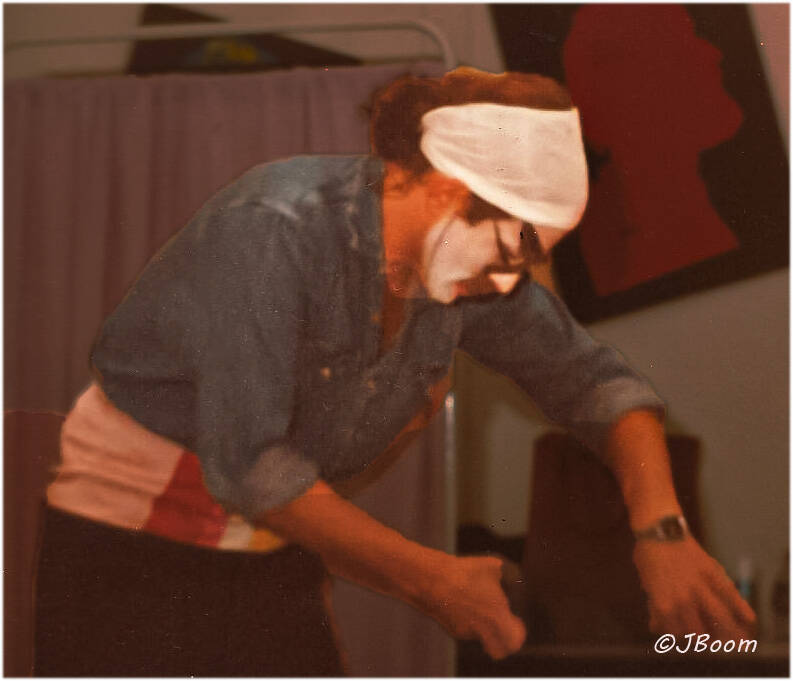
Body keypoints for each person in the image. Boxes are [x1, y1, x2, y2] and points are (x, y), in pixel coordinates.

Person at [34, 67, 755, 676]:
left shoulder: (465, 272)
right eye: (512, 248)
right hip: (128, 548)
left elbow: (596, 383)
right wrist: (430, 579)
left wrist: (662, 533)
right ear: (443, 189)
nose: (511, 282)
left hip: (265, 546)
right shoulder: (272, 228)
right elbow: (250, 466)